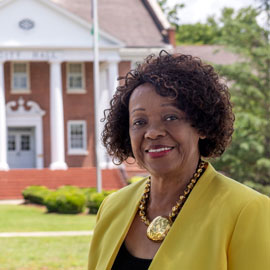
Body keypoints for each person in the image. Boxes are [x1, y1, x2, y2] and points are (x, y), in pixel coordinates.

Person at [88, 51, 270, 270]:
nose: (152, 133)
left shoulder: (246, 210)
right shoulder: (111, 208)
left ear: (201, 126)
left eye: (171, 117)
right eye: (139, 122)